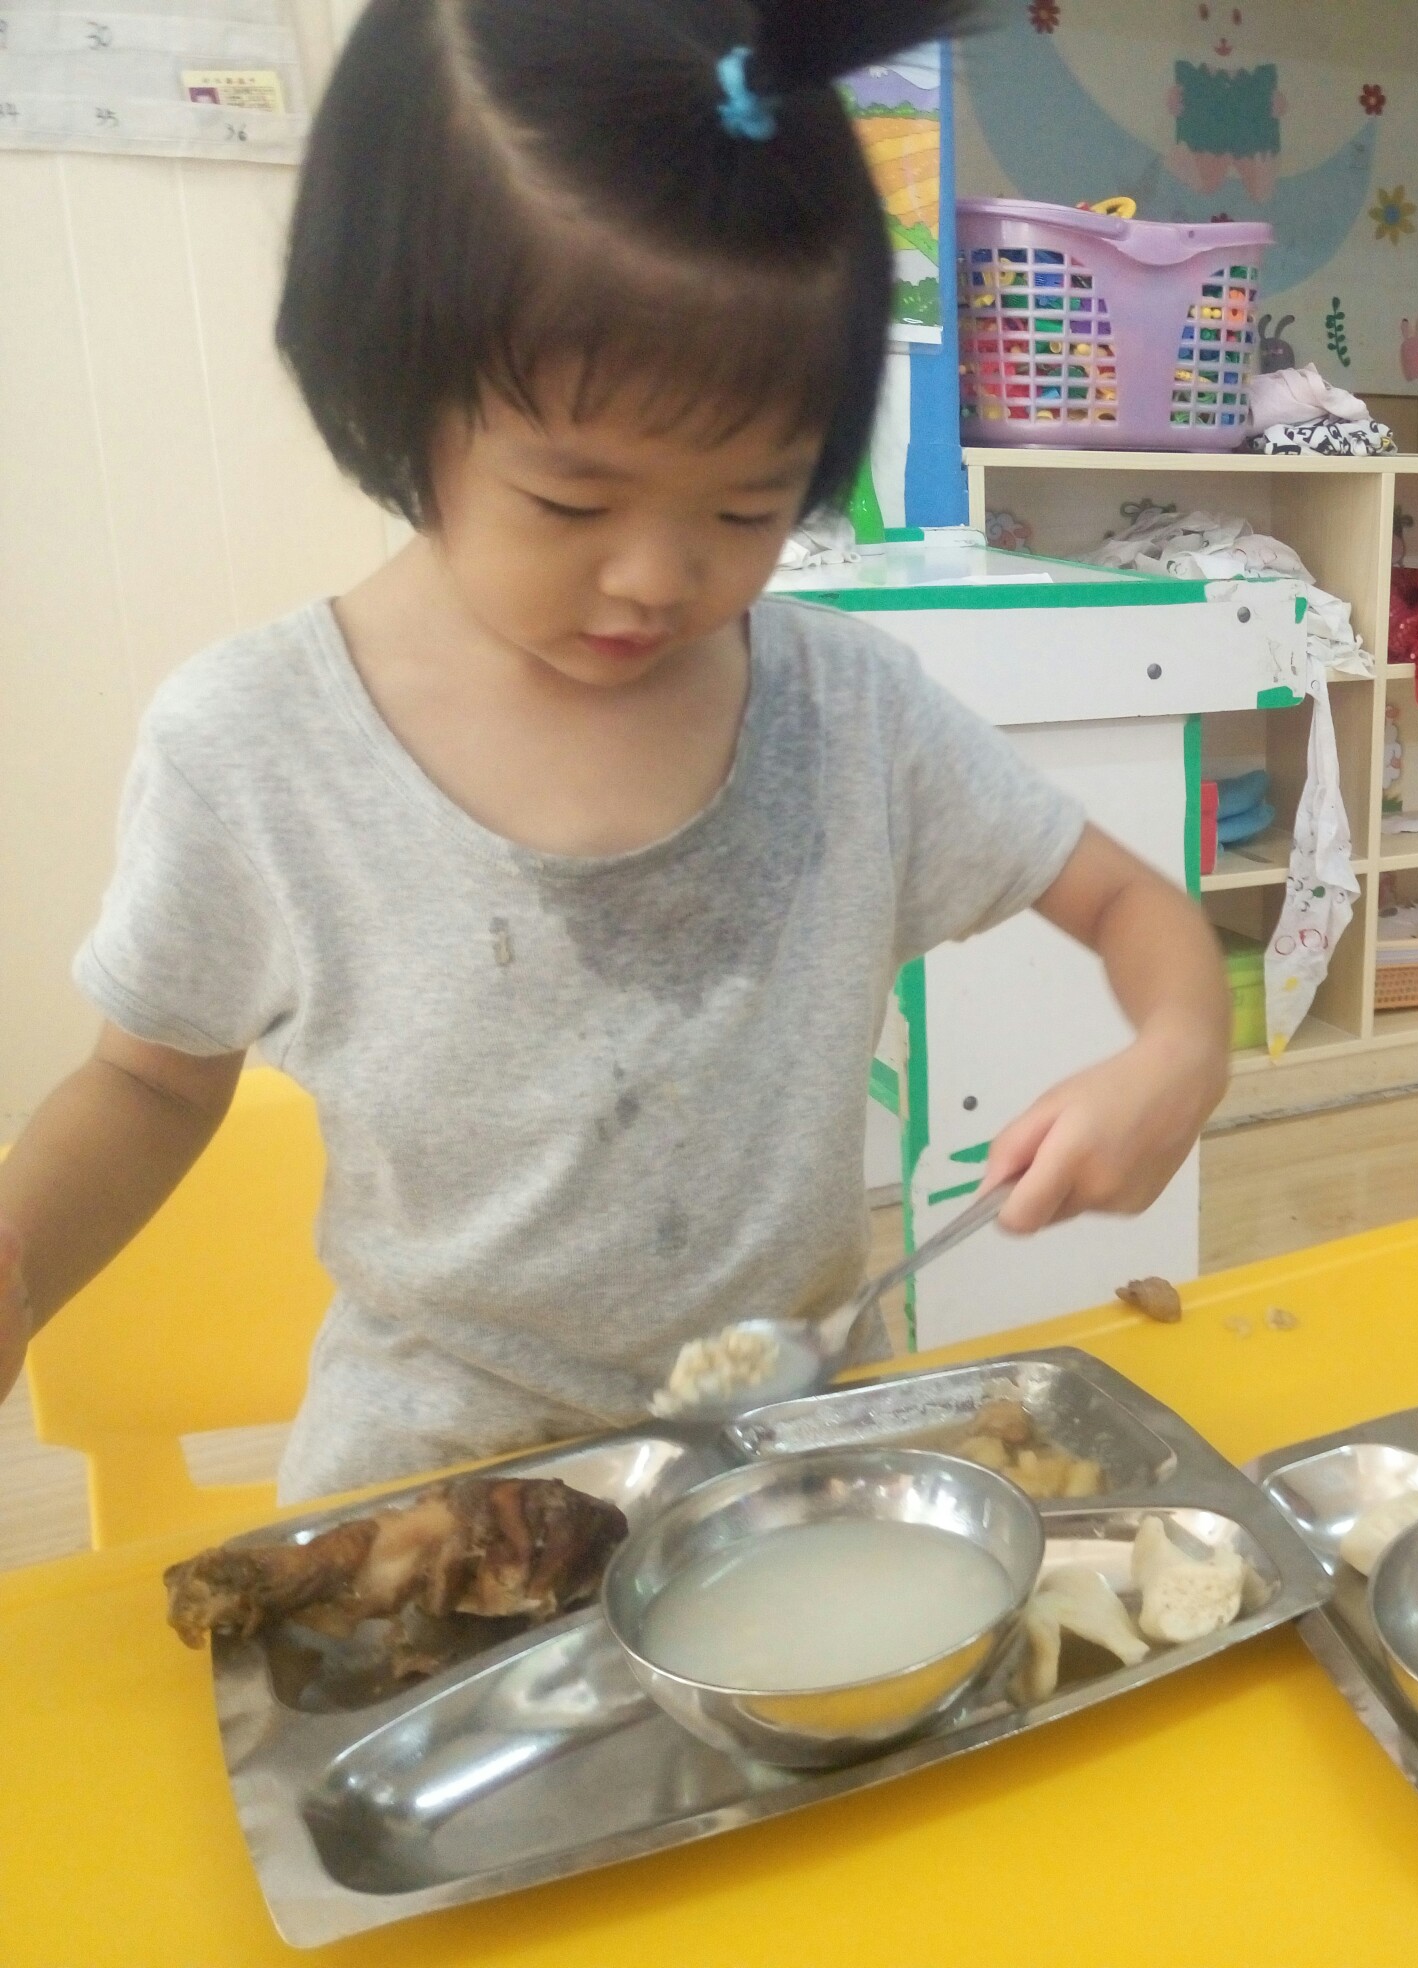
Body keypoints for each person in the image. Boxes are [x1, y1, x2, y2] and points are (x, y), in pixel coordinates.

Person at [0, 0, 1230, 1501]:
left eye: (746, 507)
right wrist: (19, 1264)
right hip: (441, 1493)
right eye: (572, 505)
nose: (655, 578)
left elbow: (1129, 905)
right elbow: (145, 1088)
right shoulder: (254, 750)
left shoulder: (849, 714)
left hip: (789, 1464)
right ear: (398, 395)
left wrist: (1179, 1045)